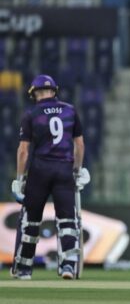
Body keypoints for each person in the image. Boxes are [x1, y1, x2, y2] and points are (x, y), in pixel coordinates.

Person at [10, 74, 90, 280]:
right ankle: (68, 267)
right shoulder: (70, 110)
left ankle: (24, 269)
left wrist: (19, 179)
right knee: (67, 221)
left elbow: (23, 151)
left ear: (35, 93)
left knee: (31, 221)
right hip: (64, 169)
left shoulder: (31, 113)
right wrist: (78, 169)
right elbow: (79, 145)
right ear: (54, 91)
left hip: (40, 170)